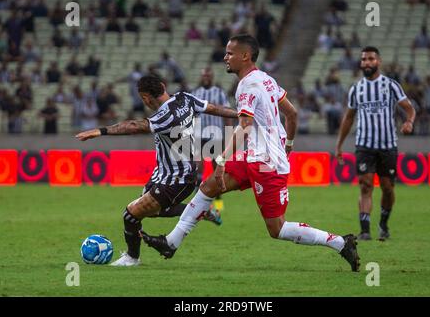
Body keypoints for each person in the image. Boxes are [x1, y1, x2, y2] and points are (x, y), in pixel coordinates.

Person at [140, 34, 360, 272]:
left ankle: (341, 243)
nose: (225, 57)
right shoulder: (266, 80)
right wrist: (289, 143)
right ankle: (171, 243)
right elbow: (292, 114)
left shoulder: (248, 85)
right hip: (256, 156)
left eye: (230, 53)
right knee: (209, 187)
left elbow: (244, 126)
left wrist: (222, 160)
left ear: (245, 56)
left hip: (266, 163)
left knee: (277, 229)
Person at [75, 74, 239, 266]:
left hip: (175, 179)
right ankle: (201, 211)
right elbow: (213, 108)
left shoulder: (164, 116)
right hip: (170, 174)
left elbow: (135, 126)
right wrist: (240, 114)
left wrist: (101, 131)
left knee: (130, 215)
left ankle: (131, 258)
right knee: (151, 211)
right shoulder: (184, 98)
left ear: (145, 97)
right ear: (163, 85)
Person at [335, 46, 416, 241]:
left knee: (387, 188)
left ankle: (384, 224)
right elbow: (348, 118)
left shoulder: (391, 85)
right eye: (363, 60)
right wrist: (339, 145)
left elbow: (409, 109)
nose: (367, 63)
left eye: (371, 59)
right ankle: (364, 230)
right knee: (365, 185)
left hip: (388, 145)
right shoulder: (356, 89)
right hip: (364, 145)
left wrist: (409, 122)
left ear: (378, 62)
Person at [192, 67, 232, 212]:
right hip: (200, 135)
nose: (206, 77)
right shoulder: (196, 93)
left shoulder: (219, 93)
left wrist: (229, 134)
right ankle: (197, 201)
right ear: (201, 77)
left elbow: (227, 113)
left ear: (212, 76)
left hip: (216, 135)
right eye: (204, 75)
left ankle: (219, 202)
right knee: (198, 168)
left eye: (209, 75)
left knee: (217, 170)